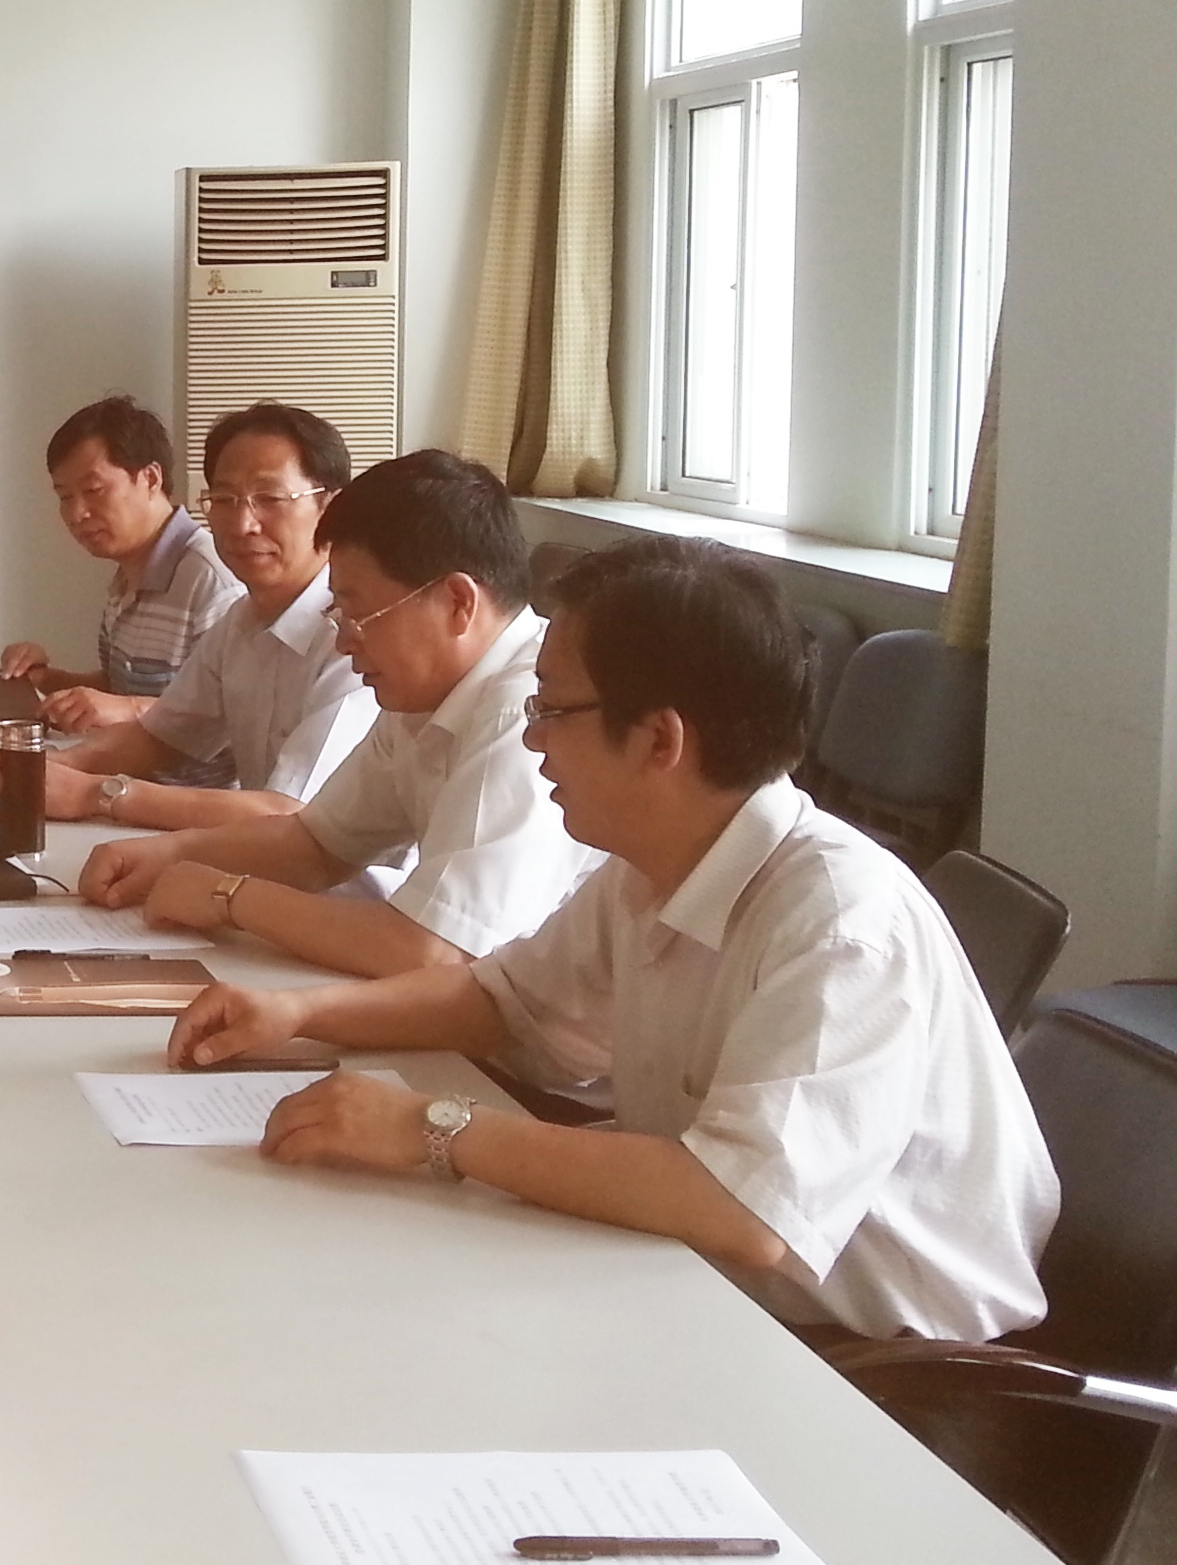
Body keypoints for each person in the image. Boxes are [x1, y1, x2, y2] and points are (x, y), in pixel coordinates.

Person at [165, 537, 1057, 1342]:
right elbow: (500, 1001)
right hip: (698, 1281)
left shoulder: (839, 921)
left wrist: (431, 1128)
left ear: (659, 739)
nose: (532, 739)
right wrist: (297, 1015)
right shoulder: (652, 865)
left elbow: (744, 1207)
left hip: (878, 1369)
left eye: (551, 710)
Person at [78, 450, 599, 979]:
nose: (346, 642)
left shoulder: (526, 712)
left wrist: (229, 896)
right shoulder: (426, 692)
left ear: (457, 602)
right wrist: (169, 855)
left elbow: (437, 953)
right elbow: (317, 845)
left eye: (361, 615)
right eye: (338, 613)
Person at [0, 403, 377, 829]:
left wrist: (95, 793)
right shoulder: (242, 621)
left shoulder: (356, 637)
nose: (243, 524)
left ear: (331, 508)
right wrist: (44, 767)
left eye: (270, 499)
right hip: (252, 850)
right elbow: (162, 736)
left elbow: (287, 812)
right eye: (224, 499)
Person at [0, 396, 241, 731]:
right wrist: (48, 680)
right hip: (123, 761)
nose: (76, 514)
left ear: (151, 479)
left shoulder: (213, 579)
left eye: (94, 490)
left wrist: (128, 708)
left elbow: (231, 715)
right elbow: (119, 690)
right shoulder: (125, 576)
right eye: (65, 496)